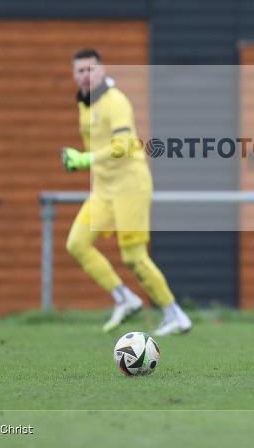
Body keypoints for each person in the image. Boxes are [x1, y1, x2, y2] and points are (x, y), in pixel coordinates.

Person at [62, 48, 192, 336]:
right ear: (74, 75)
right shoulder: (85, 104)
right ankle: (125, 298)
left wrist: (85, 159)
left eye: (90, 69)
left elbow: (122, 146)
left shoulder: (115, 101)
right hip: (104, 189)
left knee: (133, 257)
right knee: (77, 244)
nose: (85, 76)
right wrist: (84, 165)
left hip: (130, 186)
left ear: (102, 70)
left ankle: (175, 315)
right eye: (79, 71)